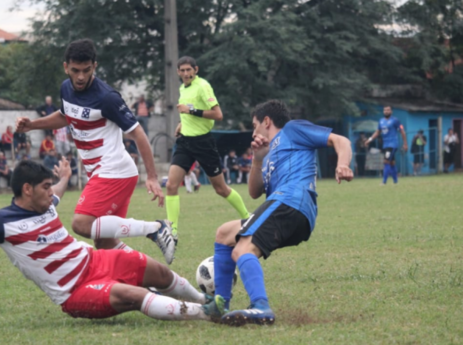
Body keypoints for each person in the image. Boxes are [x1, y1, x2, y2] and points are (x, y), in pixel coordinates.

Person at [0, 159, 214, 323]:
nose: (50, 192)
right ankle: (208, 316)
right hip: (75, 291)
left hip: (96, 260)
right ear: (27, 189)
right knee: (131, 294)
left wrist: (64, 176)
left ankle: (206, 301)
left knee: (157, 271)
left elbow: (58, 192)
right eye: (44, 187)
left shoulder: (45, 201)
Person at [15, 38, 174, 263]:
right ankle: (158, 286)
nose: (81, 76)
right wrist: (32, 125)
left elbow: (138, 133)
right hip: (102, 172)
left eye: (86, 70)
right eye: (75, 70)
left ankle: (156, 228)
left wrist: (152, 176)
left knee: (81, 223)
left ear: (95, 67)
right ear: (66, 67)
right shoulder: (65, 89)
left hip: (114, 170)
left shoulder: (107, 98)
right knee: (105, 244)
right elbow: (64, 116)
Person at [204, 100, 354, 326]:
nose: (253, 132)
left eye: (255, 125)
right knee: (225, 233)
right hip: (287, 208)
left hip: (290, 201)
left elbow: (340, 140)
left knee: (243, 248)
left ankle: (260, 306)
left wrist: (343, 164)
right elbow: (254, 193)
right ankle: (220, 303)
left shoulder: (293, 130)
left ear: (266, 121)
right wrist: (258, 158)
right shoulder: (268, 152)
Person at [166, 56, 250, 241]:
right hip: (185, 143)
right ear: (178, 72)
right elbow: (188, 110)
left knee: (220, 189)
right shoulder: (182, 88)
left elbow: (218, 114)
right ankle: (172, 232)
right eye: (183, 70)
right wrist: (182, 123)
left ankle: (247, 217)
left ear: (196, 70)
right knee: (171, 185)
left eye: (189, 70)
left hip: (204, 143)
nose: (186, 73)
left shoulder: (203, 86)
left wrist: (191, 112)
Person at [365, 106, 407, 185]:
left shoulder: (395, 120)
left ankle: (384, 182)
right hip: (385, 145)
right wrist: (369, 140)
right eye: (385, 110)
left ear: (391, 111)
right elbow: (377, 132)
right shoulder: (381, 121)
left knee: (386, 161)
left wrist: (405, 144)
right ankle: (396, 182)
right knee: (391, 163)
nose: (386, 111)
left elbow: (402, 131)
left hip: (392, 144)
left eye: (388, 110)